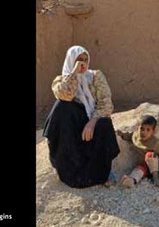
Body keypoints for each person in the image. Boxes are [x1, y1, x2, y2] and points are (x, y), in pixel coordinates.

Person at [43, 45, 120, 188]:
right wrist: (74, 73)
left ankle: (104, 171)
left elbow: (106, 104)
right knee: (62, 106)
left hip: (92, 123)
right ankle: (62, 162)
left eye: (85, 60)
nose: (83, 63)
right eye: (79, 60)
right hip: (73, 128)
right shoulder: (60, 81)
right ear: (71, 61)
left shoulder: (96, 76)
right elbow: (66, 95)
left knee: (105, 124)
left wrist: (92, 122)